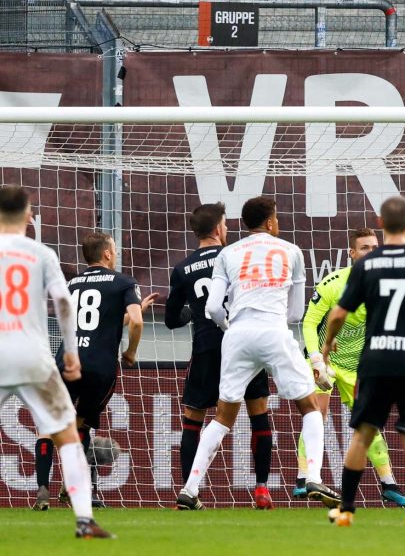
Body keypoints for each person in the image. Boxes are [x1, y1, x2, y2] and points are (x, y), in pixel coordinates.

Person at [177, 196, 339, 509]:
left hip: (236, 336)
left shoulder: (228, 252)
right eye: (276, 218)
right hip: (274, 332)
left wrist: (231, 328)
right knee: (310, 407)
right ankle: (314, 477)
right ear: (269, 222)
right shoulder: (292, 251)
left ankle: (190, 489)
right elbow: (295, 313)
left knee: (223, 418)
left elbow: (212, 307)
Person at [324, 196, 405, 528]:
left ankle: (347, 510)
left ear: (381, 225)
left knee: (363, 435)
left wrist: (327, 344)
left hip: (376, 361)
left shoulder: (366, 265)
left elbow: (339, 312)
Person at [0, 185, 112, 537]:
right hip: (33, 355)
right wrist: (70, 353)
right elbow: (64, 302)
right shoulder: (41, 253)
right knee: (67, 434)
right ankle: (84, 519)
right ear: (28, 214)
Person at [33, 231, 157, 510]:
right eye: (114, 248)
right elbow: (135, 323)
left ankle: (43, 489)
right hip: (100, 367)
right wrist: (131, 353)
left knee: (48, 428)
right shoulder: (124, 282)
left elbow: (89, 323)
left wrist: (128, 316)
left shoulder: (72, 283)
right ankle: (75, 488)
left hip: (67, 361)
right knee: (81, 427)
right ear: (107, 253)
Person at [165, 203, 275, 509]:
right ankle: (262, 489)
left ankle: (190, 491)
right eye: (225, 224)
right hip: (243, 343)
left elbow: (171, 320)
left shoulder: (182, 268)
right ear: (218, 229)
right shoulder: (237, 256)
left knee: (193, 420)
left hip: (206, 347)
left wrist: (193, 311)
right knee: (258, 414)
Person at [298, 227, 405, 507]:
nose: (371, 252)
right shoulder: (333, 284)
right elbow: (309, 322)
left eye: (375, 247)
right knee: (316, 413)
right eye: (365, 248)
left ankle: (389, 484)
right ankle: (305, 478)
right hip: (326, 362)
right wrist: (316, 360)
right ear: (352, 253)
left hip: (358, 366)